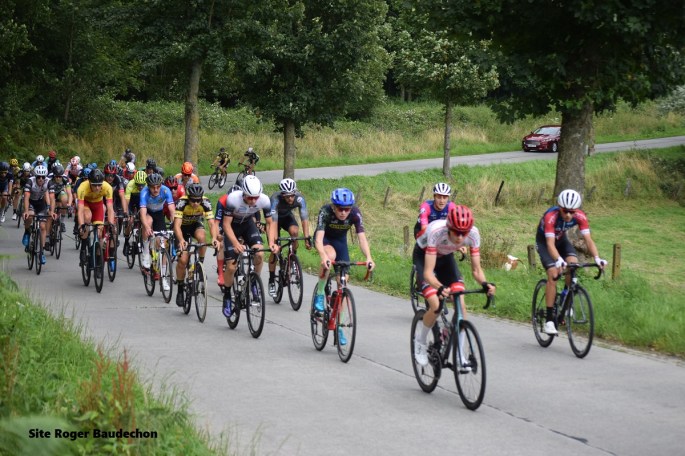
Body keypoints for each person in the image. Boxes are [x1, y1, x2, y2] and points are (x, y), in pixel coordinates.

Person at [412, 205, 496, 367]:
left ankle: (458, 355)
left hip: (446, 257)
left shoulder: (473, 234)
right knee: (436, 305)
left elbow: (476, 270)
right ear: (449, 227)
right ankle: (420, 342)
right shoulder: (437, 231)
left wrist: (485, 284)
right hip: (424, 256)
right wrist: (440, 287)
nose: (460, 237)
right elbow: (428, 273)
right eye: (456, 232)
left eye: (464, 233)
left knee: (461, 307)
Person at [536, 189, 607, 335]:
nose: (568, 215)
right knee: (553, 274)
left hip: (561, 240)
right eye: (565, 211)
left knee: (573, 264)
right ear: (559, 207)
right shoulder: (551, 217)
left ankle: (565, 298)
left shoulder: (580, 216)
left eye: (572, 212)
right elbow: (550, 244)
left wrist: (597, 258)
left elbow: (588, 240)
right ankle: (549, 321)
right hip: (545, 242)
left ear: (576, 210)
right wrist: (558, 260)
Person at [312, 188, 374, 344]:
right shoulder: (326, 211)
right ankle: (320, 293)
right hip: (325, 241)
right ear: (334, 207)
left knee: (344, 282)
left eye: (347, 209)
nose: (344, 212)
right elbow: (318, 239)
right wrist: (323, 256)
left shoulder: (355, 213)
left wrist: (368, 257)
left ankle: (340, 325)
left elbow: (362, 239)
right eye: (340, 209)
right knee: (330, 256)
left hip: (340, 243)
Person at [215, 175, 277, 317]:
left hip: (248, 225)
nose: (253, 201)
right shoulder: (233, 199)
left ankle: (254, 281)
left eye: (256, 198)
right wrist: (236, 243)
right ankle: (227, 295)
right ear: (243, 193)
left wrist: (272, 243)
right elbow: (226, 224)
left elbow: (270, 223)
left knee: (259, 254)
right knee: (231, 266)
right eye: (250, 197)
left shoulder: (264, 200)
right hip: (232, 227)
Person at [173, 183, 220, 307]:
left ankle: (200, 265)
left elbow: (211, 223)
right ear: (188, 198)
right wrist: (181, 240)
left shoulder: (205, 202)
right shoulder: (181, 203)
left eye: (198, 200)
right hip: (182, 228)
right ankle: (180, 289)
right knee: (183, 260)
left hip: (195, 224)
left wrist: (214, 238)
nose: (196, 203)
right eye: (193, 200)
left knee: (202, 237)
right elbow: (176, 225)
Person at [267, 178, 312, 296]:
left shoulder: (299, 198)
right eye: (287, 197)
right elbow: (273, 222)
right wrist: (274, 242)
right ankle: (271, 280)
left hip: (287, 217)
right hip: (275, 220)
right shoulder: (275, 199)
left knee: (295, 232)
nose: (290, 199)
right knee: (275, 249)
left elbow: (304, 219)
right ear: (282, 195)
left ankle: (292, 259)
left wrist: (307, 238)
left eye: (292, 195)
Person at [139, 173, 175, 291]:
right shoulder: (144, 192)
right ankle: (145, 252)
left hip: (159, 214)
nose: (155, 189)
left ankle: (163, 278)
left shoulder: (165, 190)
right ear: (148, 186)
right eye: (153, 187)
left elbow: (171, 209)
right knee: (148, 222)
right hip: (148, 213)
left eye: (158, 186)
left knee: (162, 243)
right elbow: (143, 213)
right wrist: (146, 227)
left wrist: (174, 223)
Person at [77, 169, 115, 266]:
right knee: (87, 217)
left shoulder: (107, 187)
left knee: (99, 234)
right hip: (86, 204)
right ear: (89, 182)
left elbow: (110, 208)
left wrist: (111, 223)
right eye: (94, 185)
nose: (97, 188)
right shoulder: (82, 187)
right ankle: (83, 249)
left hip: (98, 205)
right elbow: (80, 210)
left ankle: (98, 261)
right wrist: (81, 225)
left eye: (99, 185)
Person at [22, 164, 52, 265]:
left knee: (43, 226)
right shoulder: (30, 181)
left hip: (40, 203)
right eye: (38, 177)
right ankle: (27, 232)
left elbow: (51, 197)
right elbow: (26, 197)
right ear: (35, 176)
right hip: (30, 202)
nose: (40, 179)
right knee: (30, 215)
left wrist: (50, 209)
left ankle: (41, 252)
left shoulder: (48, 182)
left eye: (43, 177)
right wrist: (26, 211)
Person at [47, 164, 72, 235]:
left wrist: (69, 204)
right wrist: (48, 205)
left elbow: (69, 193)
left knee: (65, 199)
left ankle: (62, 222)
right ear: (54, 175)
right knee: (51, 209)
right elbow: (45, 192)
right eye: (56, 176)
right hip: (50, 193)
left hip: (59, 192)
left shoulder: (65, 178)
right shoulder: (49, 178)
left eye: (60, 177)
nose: (58, 178)